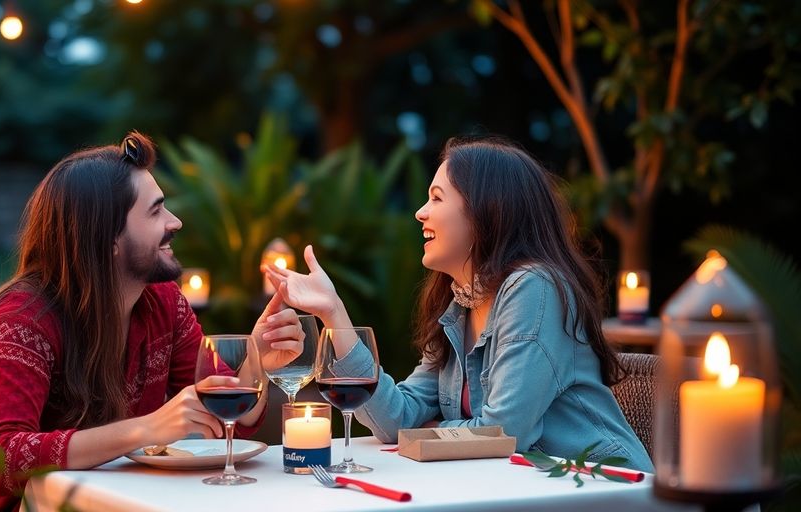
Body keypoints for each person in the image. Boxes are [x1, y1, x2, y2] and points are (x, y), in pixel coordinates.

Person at [0, 132, 304, 511]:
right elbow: (0, 459)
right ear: (106, 237)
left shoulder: (163, 302)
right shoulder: (21, 321)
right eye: (155, 211)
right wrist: (145, 429)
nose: (175, 222)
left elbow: (223, 421)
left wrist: (258, 359)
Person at [265, 136, 653, 471]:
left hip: (600, 487)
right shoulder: (461, 307)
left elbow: (505, 432)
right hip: (523, 489)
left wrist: (423, 434)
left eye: (437, 197)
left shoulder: (533, 288)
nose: (421, 212)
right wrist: (334, 311)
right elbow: (394, 419)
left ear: (488, 209)